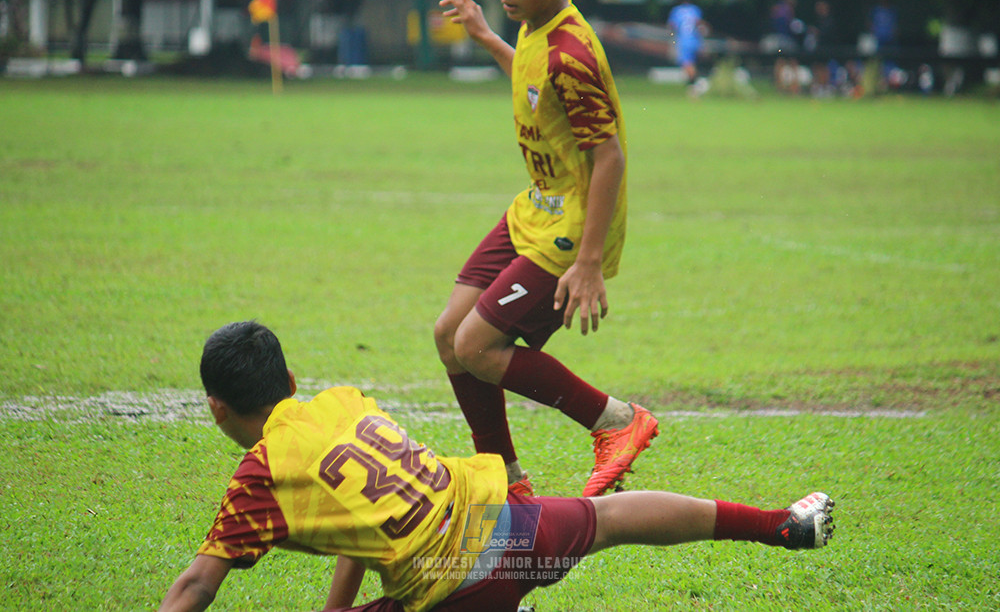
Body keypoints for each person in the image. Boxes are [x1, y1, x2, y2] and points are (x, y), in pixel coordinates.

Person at [159, 321, 837, 612]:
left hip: (459, 587)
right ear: (290, 380)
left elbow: (195, 586)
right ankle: (780, 524)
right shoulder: (339, 401)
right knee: (609, 518)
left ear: (217, 408)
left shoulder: (260, 476)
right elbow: (361, 520)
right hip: (509, 524)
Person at [434, 0, 655, 500]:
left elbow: (609, 157)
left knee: (475, 346)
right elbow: (534, 83)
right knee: (450, 335)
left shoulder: (571, 53)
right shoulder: (536, 28)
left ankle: (616, 421)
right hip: (537, 207)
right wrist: (486, 36)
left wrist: (589, 262)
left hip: (571, 226)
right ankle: (505, 479)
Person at [666, 0, 709, 91]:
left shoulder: (676, 11)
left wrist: (672, 39)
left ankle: (697, 83)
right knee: (691, 63)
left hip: (684, 41)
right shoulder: (695, 9)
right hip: (695, 40)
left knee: (687, 64)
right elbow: (699, 25)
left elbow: (672, 27)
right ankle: (693, 85)